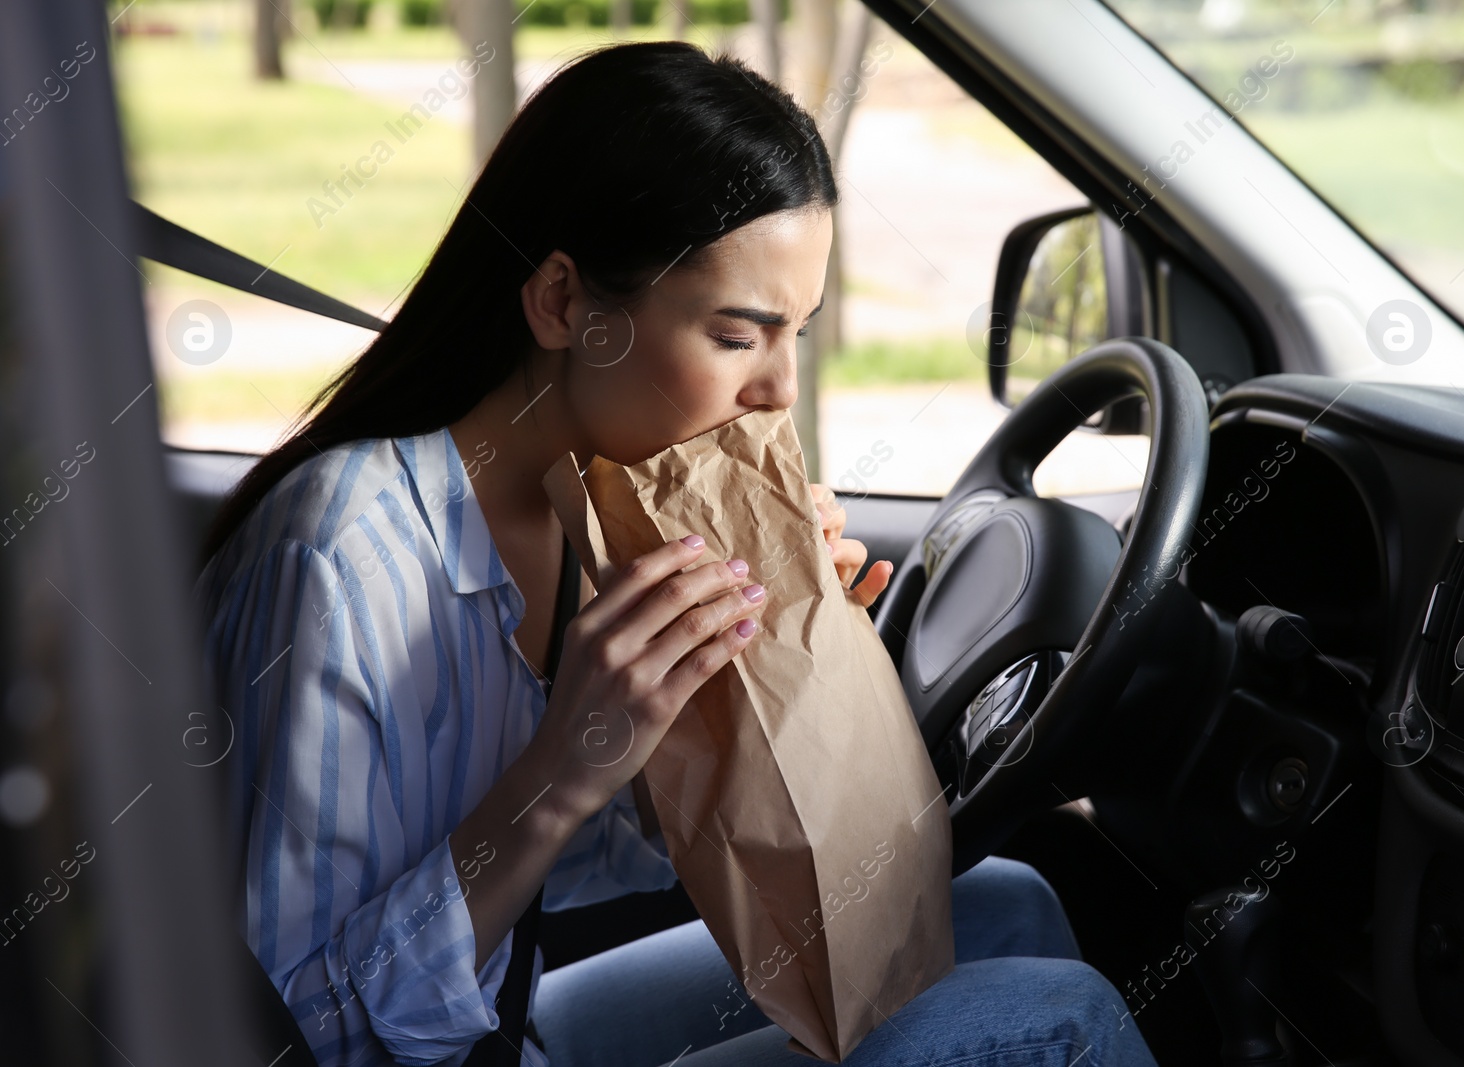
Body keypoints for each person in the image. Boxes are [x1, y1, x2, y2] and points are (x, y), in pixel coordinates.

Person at [195, 39, 1160, 1067]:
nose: (781, 388)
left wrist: (738, 685)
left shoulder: (597, 507)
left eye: (797, 331)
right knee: (1066, 1016)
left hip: (504, 1018)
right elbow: (287, 1033)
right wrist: (559, 771)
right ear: (564, 302)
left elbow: (599, 865)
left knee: (1001, 902)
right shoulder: (340, 561)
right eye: (738, 335)